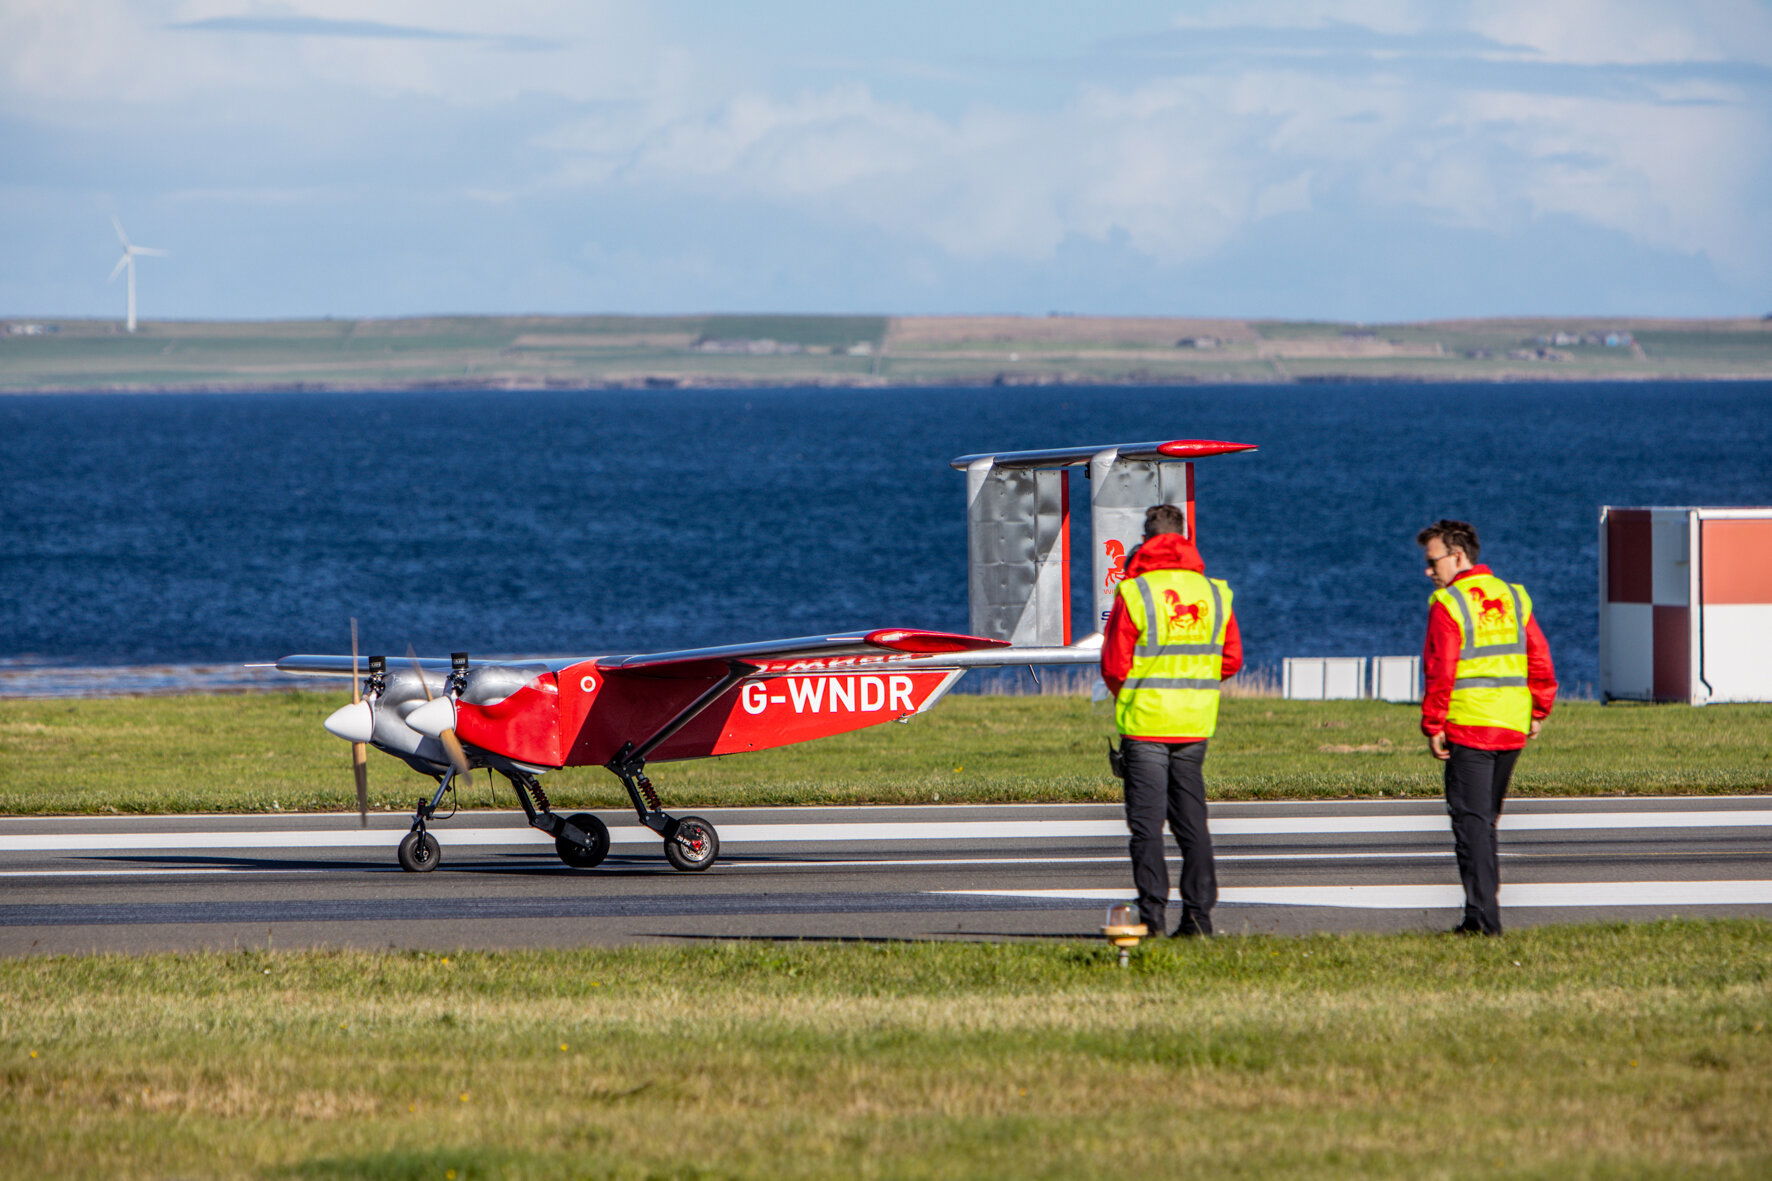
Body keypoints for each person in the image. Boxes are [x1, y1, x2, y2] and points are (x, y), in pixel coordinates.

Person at [1101, 504, 1242, 937]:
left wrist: (1140, 691)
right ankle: (1199, 918)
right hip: (1195, 722)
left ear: (1146, 539)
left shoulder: (1136, 593)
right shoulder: (1214, 592)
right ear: (1184, 537)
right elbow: (1232, 659)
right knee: (1191, 823)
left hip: (1146, 723)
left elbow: (1114, 665)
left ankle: (1152, 917)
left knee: (1146, 826)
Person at [1417, 519, 1558, 936]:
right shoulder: (1513, 595)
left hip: (1470, 725)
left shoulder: (1449, 603)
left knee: (1471, 825)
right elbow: (1539, 656)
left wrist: (1433, 723)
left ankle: (1484, 921)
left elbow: (1440, 669)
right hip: (1512, 725)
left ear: (1457, 556)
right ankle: (1479, 915)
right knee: (1485, 822)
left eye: (1433, 561)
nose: (1429, 571)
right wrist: (1539, 709)